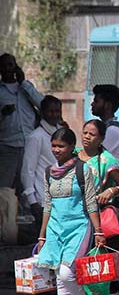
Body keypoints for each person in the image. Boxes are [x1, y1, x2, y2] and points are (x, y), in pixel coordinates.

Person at [36, 128, 104, 295]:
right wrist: (42, 236)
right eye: (54, 145)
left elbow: (91, 202)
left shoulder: (83, 170)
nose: (56, 150)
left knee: (66, 273)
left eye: (61, 146)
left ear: (71, 147)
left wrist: (98, 231)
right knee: (59, 276)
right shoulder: (49, 171)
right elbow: (48, 205)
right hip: (55, 229)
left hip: (79, 227)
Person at [75, 119, 119, 295]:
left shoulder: (107, 160)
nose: (86, 137)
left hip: (95, 219)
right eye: (85, 133)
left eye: (92, 134)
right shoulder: (73, 157)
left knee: (93, 262)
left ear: (101, 139)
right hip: (72, 217)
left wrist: (111, 191)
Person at [0, 53, 43, 219]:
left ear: (16, 67)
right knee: (5, 187)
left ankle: (27, 222)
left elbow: (43, 103)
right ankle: (5, 223)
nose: (7, 69)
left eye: (10, 65)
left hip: (29, 145)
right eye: (4, 65)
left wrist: (23, 82)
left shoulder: (25, 88)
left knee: (28, 184)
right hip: (8, 145)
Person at [21, 95, 64, 228]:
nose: (54, 115)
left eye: (57, 111)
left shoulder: (62, 133)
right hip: (43, 200)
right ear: (43, 112)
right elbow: (27, 170)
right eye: (51, 111)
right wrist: (32, 201)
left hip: (61, 198)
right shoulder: (36, 137)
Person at [91, 85, 119, 165]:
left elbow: (94, 157)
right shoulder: (106, 127)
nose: (92, 104)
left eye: (96, 101)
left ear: (108, 105)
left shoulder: (113, 130)